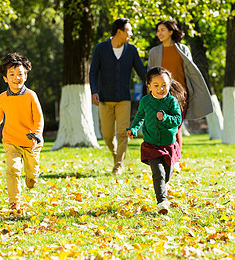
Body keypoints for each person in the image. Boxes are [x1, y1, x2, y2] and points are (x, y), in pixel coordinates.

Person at [0, 53, 44, 210]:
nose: (16, 77)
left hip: (31, 142)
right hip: (11, 141)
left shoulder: (31, 95)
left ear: (25, 76)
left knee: (31, 172)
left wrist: (36, 135)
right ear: (5, 78)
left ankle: (32, 178)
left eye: (20, 74)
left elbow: (39, 118)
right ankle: (14, 201)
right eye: (11, 74)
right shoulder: (2, 98)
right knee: (13, 169)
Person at [89, 18, 147, 175]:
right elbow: (93, 71)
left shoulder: (131, 50)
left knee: (123, 133)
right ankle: (117, 157)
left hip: (123, 98)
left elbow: (141, 71)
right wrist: (94, 91)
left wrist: (153, 85)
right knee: (107, 135)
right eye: (129, 30)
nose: (131, 34)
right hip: (104, 98)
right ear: (119, 32)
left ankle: (119, 164)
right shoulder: (101, 48)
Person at [127, 67, 186, 214]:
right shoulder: (145, 101)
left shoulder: (172, 101)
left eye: (164, 85)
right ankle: (162, 203)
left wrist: (165, 117)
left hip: (168, 145)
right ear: (149, 86)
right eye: (156, 85)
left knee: (166, 175)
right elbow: (140, 117)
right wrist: (133, 129)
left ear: (169, 85)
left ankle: (162, 187)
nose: (161, 88)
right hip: (151, 144)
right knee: (158, 173)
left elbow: (178, 120)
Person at [148, 20, 213, 150]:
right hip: (161, 94)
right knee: (162, 125)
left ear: (170, 32)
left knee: (176, 126)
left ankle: (175, 159)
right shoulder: (154, 52)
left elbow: (190, 72)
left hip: (180, 94)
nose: (159, 33)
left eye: (162, 30)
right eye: (158, 31)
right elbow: (150, 75)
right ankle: (165, 155)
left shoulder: (183, 49)